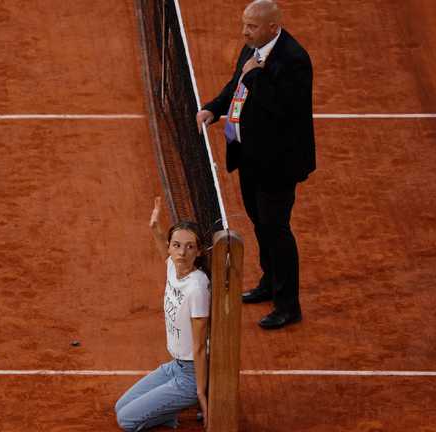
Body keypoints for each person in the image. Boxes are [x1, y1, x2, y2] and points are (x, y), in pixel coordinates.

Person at [196, 0, 315, 330]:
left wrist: (253, 78)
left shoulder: (295, 60)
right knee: (260, 223)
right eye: (244, 24)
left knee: (277, 229)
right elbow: (236, 85)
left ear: (273, 27)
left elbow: (282, 109)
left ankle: (288, 305)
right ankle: (269, 282)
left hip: (278, 163)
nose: (244, 31)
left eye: (251, 26)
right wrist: (213, 108)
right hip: (249, 156)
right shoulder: (254, 47)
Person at [115, 197, 211, 431]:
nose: (182, 253)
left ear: (198, 252)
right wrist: (155, 226)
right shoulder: (172, 266)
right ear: (169, 247)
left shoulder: (197, 288)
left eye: (190, 247)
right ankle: (167, 410)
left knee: (126, 420)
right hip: (174, 367)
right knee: (121, 406)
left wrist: (200, 393)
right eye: (176, 245)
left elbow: (199, 346)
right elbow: (162, 244)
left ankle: (175, 404)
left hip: (189, 375)